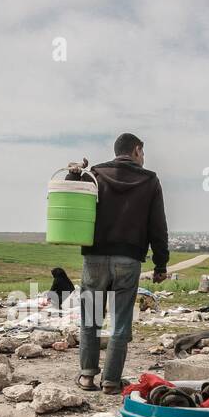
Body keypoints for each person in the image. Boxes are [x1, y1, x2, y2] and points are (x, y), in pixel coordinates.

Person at [67, 133, 169, 394]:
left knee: (90, 318)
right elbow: (158, 226)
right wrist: (160, 264)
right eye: (143, 153)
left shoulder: (95, 175)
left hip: (94, 258)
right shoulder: (150, 180)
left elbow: (73, 200)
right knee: (121, 323)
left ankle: (87, 376)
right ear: (136, 150)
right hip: (129, 259)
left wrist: (74, 175)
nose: (144, 158)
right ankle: (111, 381)